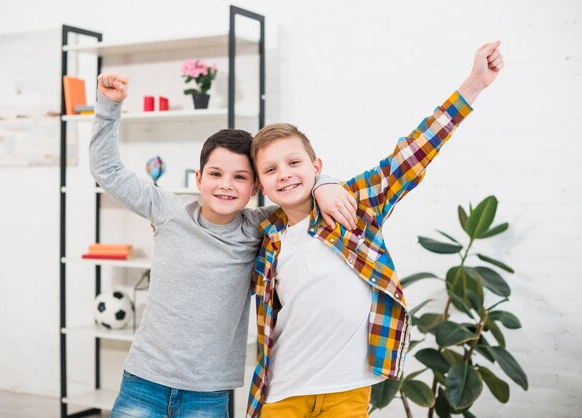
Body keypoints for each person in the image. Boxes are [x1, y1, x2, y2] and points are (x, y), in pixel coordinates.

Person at [246, 41, 505, 418]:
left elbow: (413, 153)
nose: (284, 173)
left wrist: (474, 84)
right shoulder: (264, 235)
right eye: (270, 170)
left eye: (293, 162)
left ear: (316, 164)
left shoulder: (356, 205)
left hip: (348, 390)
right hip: (284, 390)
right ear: (260, 185)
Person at [91, 73, 358, 418]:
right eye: (215, 174)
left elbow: (297, 190)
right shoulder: (168, 209)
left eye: (240, 177)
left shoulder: (260, 226)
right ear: (199, 179)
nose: (226, 186)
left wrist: (324, 182)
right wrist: (109, 105)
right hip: (144, 380)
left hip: (208, 394)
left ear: (256, 187)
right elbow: (107, 170)